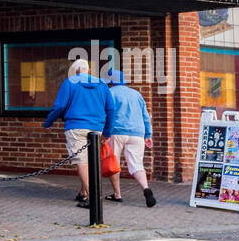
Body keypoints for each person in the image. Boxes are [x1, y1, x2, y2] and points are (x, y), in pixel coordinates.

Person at [43, 58, 115, 208]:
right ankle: (84, 193)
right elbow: (111, 110)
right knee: (91, 161)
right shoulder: (102, 84)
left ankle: (93, 198)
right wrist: (107, 132)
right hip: (97, 128)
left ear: (75, 71)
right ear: (88, 70)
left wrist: (48, 122)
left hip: (76, 126)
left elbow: (59, 106)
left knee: (81, 161)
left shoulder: (70, 82)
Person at [102, 69, 156, 206]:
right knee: (137, 165)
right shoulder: (136, 94)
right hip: (137, 134)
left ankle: (117, 194)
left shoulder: (109, 93)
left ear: (110, 82)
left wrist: (105, 133)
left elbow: (106, 114)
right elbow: (145, 116)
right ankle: (146, 188)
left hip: (116, 132)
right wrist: (148, 134)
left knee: (114, 163)